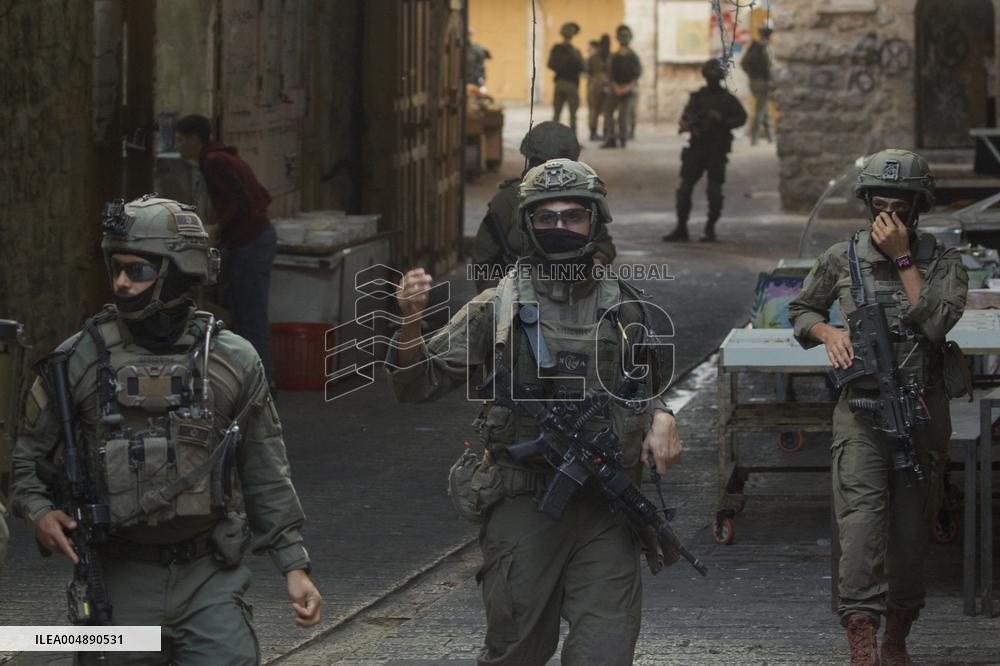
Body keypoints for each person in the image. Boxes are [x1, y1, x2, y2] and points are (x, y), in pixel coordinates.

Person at [391, 159, 684, 665]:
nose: (560, 227)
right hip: (525, 500)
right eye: (546, 218)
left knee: (605, 653)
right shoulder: (496, 307)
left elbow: (643, 391)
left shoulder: (627, 309)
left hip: (605, 507)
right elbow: (417, 385)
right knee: (517, 651)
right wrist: (411, 324)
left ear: (595, 221)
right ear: (528, 226)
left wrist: (663, 416)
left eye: (573, 216)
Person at [11, 196, 322, 664]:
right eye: (115, 268)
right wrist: (39, 513)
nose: (120, 282)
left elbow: (265, 469)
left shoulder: (232, 359)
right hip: (119, 577)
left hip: (209, 575)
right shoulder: (76, 360)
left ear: (178, 271)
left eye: (137, 271)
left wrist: (294, 566)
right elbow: (25, 461)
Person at [788, 150, 968, 666]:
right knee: (861, 524)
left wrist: (905, 258)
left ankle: (897, 638)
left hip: (922, 410)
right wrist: (827, 332)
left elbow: (934, 324)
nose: (888, 212)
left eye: (900, 203)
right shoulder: (842, 258)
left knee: (912, 529)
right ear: (867, 203)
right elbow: (802, 308)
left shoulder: (943, 262)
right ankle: (861, 638)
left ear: (918, 207)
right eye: (879, 202)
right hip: (862, 411)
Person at [174, 114, 278, 386]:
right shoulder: (219, 158)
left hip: (250, 241)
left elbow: (240, 201)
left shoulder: (214, 162)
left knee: (250, 313)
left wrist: (217, 227)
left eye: (181, 139)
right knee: (245, 311)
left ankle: (261, 378)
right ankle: (252, 375)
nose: (178, 145)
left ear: (195, 139)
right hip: (252, 238)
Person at [469, 122, 616, 292]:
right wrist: (502, 298)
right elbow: (483, 260)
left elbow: (604, 245)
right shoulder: (508, 199)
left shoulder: (580, 197)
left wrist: (596, 263)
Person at [663, 59, 747, 242]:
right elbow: (685, 117)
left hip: (716, 150)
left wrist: (722, 120)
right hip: (697, 147)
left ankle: (710, 228)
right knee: (685, 189)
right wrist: (687, 124)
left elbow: (741, 118)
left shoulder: (727, 99)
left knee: (714, 192)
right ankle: (681, 226)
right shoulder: (698, 97)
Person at [601, 25, 641, 149]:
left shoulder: (633, 57)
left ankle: (622, 138)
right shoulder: (614, 56)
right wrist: (616, 87)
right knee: (608, 113)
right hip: (615, 89)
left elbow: (637, 75)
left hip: (627, 89)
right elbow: (610, 73)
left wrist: (627, 87)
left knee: (623, 116)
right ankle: (611, 138)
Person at [548, 22, 585, 133]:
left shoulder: (556, 49)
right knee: (573, 114)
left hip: (559, 83)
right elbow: (582, 67)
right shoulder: (575, 52)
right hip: (572, 84)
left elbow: (550, 64)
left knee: (556, 113)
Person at [741, 25, 774, 145]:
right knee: (760, 110)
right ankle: (754, 138)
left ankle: (770, 136)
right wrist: (772, 83)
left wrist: (751, 76)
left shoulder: (753, 47)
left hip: (753, 82)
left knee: (763, 108)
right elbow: (771, 68)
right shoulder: (767, 48)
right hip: (764, 83)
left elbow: (743, 63)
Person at [586, 35, 611, 142]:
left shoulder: (594, 57)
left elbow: (587, 70)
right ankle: (605, 132)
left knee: (594, 110)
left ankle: (593, 132)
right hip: (607, 84)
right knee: (606, 110)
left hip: (594, 84)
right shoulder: (611, 56)